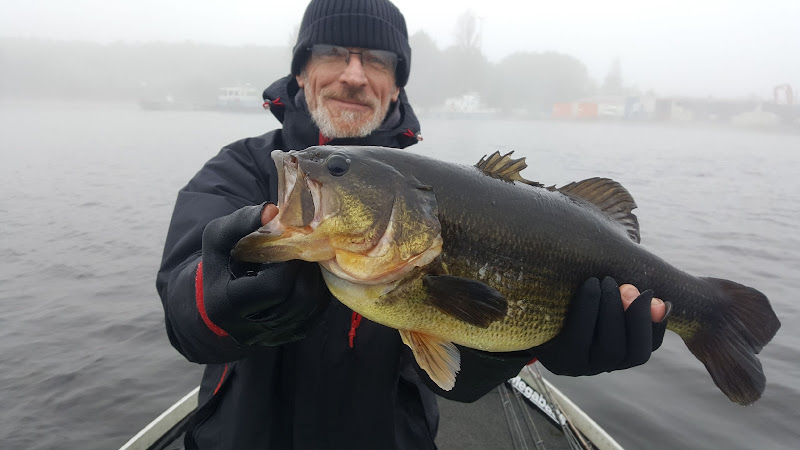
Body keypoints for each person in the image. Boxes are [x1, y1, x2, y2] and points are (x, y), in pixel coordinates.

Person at [156, 0, 669, 448]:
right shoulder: (240, 171)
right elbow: (184, 315)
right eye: (333, 52)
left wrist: (528, 344)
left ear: (397, 84)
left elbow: (457, 381)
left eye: (376, 60)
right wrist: (223, 295)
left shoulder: (447, 198)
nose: (353, 75)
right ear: (299, 73)